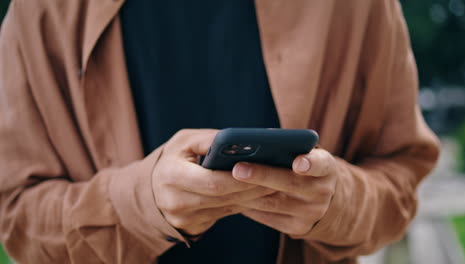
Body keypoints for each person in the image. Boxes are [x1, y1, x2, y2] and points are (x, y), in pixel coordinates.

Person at [0, 0, 440, 263]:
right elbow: (16, 212)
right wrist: (139, 204)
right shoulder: (45, 10)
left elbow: (402, 177)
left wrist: (336, 201)